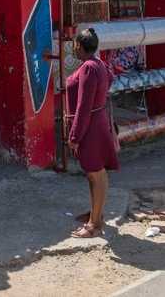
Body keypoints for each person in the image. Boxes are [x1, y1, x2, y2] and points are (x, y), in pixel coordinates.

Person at [66, 28, 118, 238]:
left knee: (95, 175)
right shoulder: (99, 64)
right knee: (97, 173)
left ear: (79, 45)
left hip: (90, 127)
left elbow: (83, 106)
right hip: (98, 122)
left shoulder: (88, 67)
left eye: (75, 45)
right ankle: (96, 214)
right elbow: (111, 80)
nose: (74, 49)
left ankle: (94, 224)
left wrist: (75, 136)